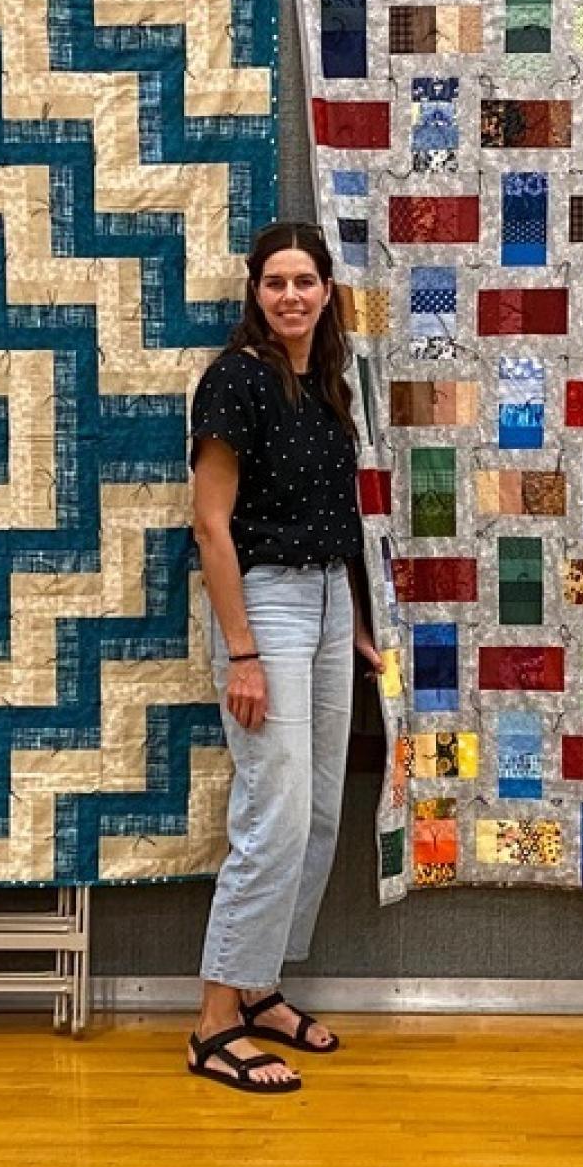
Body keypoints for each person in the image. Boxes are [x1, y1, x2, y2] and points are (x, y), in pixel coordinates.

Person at [184, 221, 379, 1095]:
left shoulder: (326, 383)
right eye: (276, 283)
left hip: (331, 601)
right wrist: (244, 653)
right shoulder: (235, 382)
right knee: (275, 811)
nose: (292, 297)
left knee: (322, 812)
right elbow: (210, 524)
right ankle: (214, 1023)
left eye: (306, 282)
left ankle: (261, 990)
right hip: (266, 602)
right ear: (255, 292)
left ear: (327, 291)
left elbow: (336, 515)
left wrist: (358, 622)